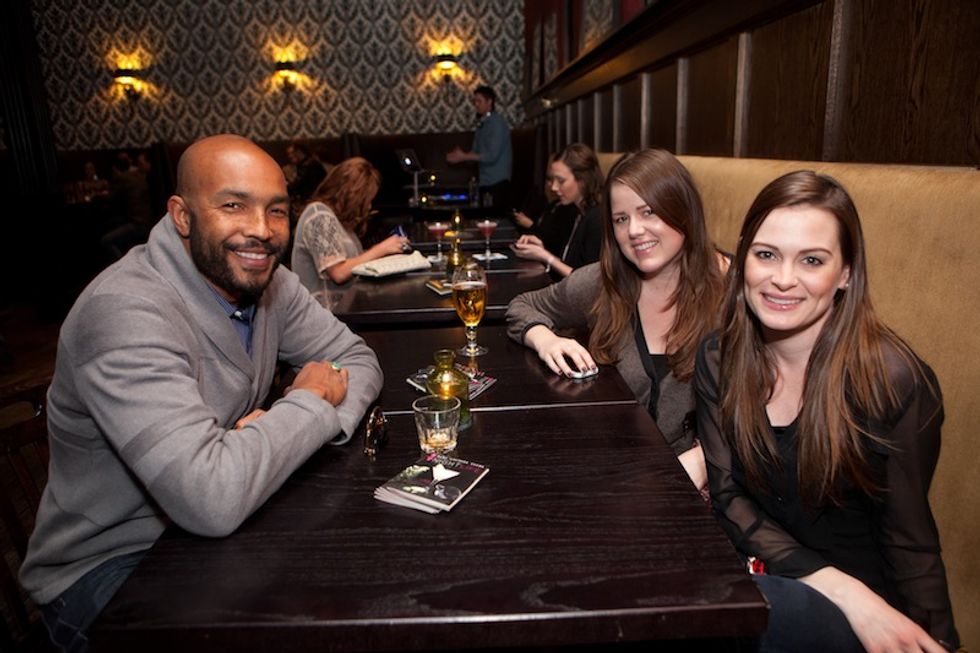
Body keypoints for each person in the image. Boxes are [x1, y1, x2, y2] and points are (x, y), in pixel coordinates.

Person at [20, 134, 383, 652]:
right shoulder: (124, 310)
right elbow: (211, 497)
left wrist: (294, 429)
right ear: (182, 216)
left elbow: (357, 358)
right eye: (233, 205)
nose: (261, 230)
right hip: (112, 563)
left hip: (217, 532)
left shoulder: (270, 282)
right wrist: (307, 405)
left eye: (276, 211)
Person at [694, 171, 959, 652]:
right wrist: (837, 587)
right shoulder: (719, 358)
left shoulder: (893, 380)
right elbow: (729, 497)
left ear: (846, 274)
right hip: (786, 582)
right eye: (766, 254)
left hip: (866, 615)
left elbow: (909, 539)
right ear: (742, 258)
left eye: (811, 260)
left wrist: (935, 639)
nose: (783, 278)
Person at [507, 149, 726, 491]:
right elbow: (522, 306)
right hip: (611, 478)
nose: (634, 230)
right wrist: (545, 338)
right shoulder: (602, 283)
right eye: (621, 219)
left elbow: (768, 411)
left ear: (683, 210)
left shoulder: (730, 293)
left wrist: (703, 460)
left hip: (697, 489)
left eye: (648, 212)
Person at [290, 157, 409, 300]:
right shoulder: (319, 214)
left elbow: (352, 262)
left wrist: (381, 253)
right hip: (321, 311)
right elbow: (338, 273)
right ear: (351, 195)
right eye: (366, 200)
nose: (369, 206)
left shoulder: (339, 222)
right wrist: (380, 249)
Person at [510, 143, 604, 279]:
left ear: (583, 180)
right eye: (552, 180)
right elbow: (566, 264)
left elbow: (588, 281)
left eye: (561, 181)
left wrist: (545, 256)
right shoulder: (572, 211)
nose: (554, 187)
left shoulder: (597, 218)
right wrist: (541, 249)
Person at [445, 85, 512, 208]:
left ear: (489, 102)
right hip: (484, 182)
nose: (476, 104)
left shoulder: (497, 124)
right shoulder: (482, 124)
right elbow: (475, 152)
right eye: (474, 101)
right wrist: (460, 157)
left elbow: (491, 156)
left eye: (479, 101)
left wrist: (464, 156)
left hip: (498, 182)